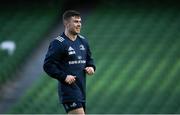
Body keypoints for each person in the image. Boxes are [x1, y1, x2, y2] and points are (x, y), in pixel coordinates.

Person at [43, 10, 96, 114]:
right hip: (69, 91)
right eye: (76, 21)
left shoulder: (83, 41)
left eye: (80, 21)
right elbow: (48, 65)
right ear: (67, 24)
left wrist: (91, 67)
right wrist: (64, 76)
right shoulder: (58, 43)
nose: (79, 24)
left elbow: (89, 59)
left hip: (81, 89)